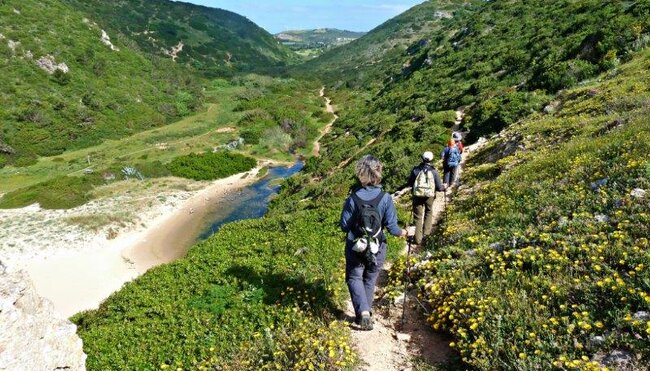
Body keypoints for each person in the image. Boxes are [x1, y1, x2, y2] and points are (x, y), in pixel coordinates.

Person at [340, 155, 409, 331]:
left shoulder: (352, 198)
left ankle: (362, 313)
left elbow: (344, 226)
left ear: (360, 174)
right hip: (378, 246)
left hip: (355, 246)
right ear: (378, 172)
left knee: (354, 277)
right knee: (370, 279)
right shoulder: (385, 198)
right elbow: (393, 228)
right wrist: (406, 232)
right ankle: (367, 312)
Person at [407, 151, 445, 245]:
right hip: (429, 196)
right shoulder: (434, 171)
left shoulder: (415, 170)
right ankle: (426, 234)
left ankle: (417, 239)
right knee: (428, 212)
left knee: (418, 217)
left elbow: (410, 183)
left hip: (417, 195)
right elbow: (440, 188)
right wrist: (444, 187)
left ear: (422, 158)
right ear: (431, 159)